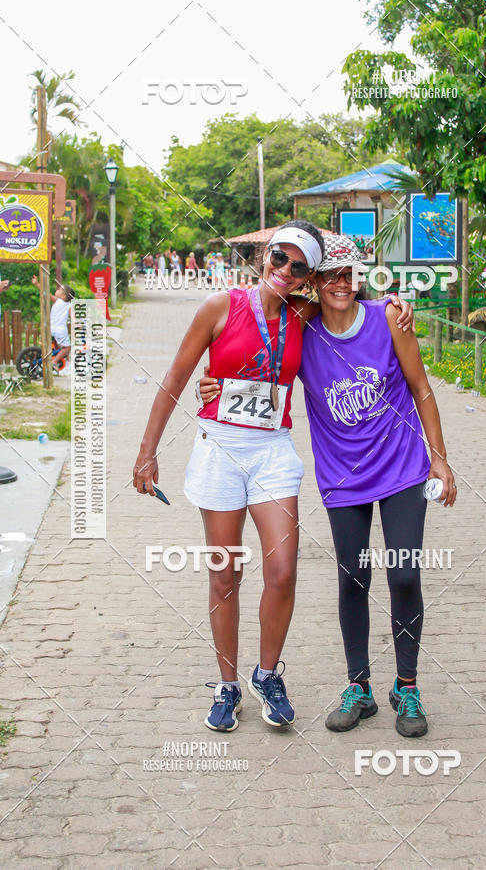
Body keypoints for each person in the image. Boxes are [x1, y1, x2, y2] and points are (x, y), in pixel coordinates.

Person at [133, 221, 414, 734]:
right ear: (266, 256)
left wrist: (395, 299)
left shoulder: (304, 313)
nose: (285, 270)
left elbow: (351, 302)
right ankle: (226, 686)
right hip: (220, 450)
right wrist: (147, 453)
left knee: (282, 570)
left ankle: (267, 675)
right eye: (280, 258)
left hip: (271, 453)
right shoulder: (219, 307)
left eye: (299, 266)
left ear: (308, 277)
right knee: (225, 573)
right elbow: (176, 378)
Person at [200, 234, 455, 738]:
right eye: (330, 275)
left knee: (403, 573)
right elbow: (257, 350)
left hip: (403, 468)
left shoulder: (387, 318)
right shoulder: (303, 325)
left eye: (350, 275)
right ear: (314, 283)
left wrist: (440, 461)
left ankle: (407, 686)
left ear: (360, 279)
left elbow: (422, 389)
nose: (341, 283)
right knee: (353, 578)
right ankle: (358, 687)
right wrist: (215, 384)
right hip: (343, 478)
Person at [31, 275, 75, 371]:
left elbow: (45, 293)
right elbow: (73, 318)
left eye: (59, 290)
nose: (57, 290)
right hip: (60, 331)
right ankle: (54, 362)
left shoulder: (57, 301)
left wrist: (36, 284)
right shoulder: (69, 306)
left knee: (56, 346)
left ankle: (53, 359)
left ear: (63, 296)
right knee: (67, 348)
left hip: (50, 328)